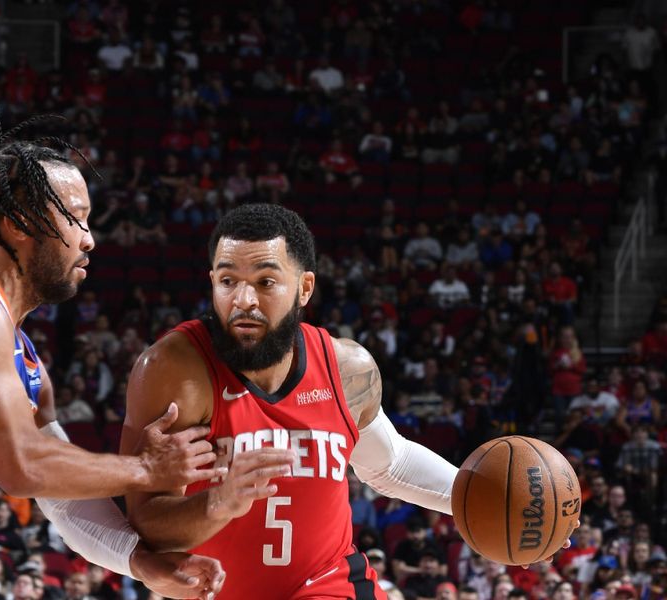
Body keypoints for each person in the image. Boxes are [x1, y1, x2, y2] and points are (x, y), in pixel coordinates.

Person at [0, 72, 226, 600]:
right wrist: (145, 468)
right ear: (15, 220)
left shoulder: (28, 369)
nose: (90, 239)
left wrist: (143, 564)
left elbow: (62, 499)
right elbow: (21, 466)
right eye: (77, 218)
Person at [122, 203, 461, 599]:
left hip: (331, 587)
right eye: (228, 281)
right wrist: (218, 503)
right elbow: (144, 524)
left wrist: (483, 499)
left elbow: (390, 465)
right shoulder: (173, 370)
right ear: (212, 281)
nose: (244, 299)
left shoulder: (347, 368)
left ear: (304, 288)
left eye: (266, 282)